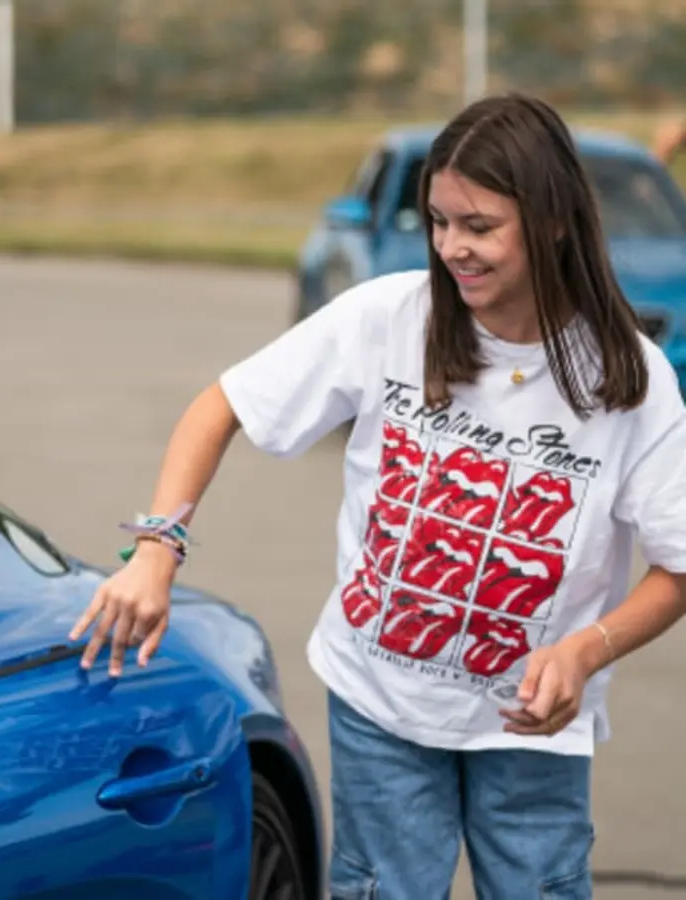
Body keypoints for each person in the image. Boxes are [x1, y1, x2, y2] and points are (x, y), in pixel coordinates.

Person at [69, 91, 686, 899]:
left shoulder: (631, 380)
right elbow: (219, 407)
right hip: (379, 702)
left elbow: (677, 568)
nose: (451, 247)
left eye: (479, 226)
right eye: (439, 221)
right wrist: (159, 545)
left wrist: (584, 649)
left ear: (554, 221)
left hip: (530, 725)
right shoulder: (386, 318)